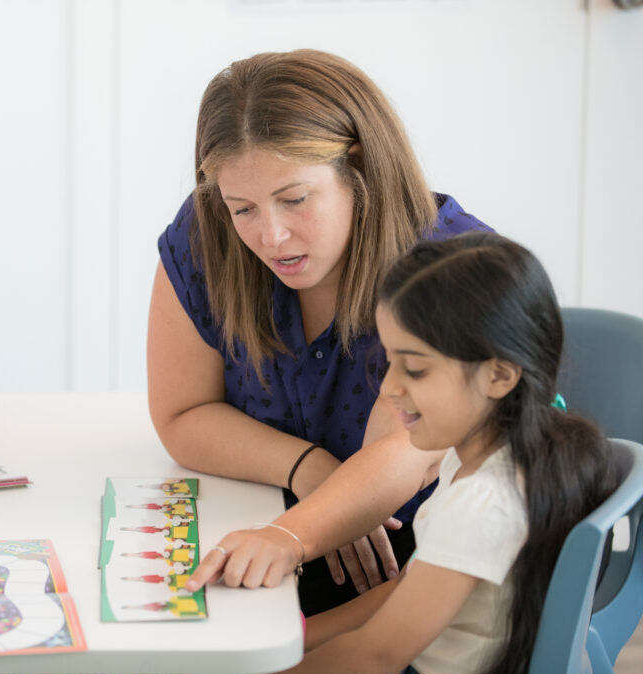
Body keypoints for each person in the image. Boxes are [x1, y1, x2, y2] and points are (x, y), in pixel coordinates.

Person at [148, 48, 493, 614]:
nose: (271, 236)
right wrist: (310, 469)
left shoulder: (451, 266)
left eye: (295, 200)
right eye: (243, 208)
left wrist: (293, 533)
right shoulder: (206, 231)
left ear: (360, 168)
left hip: (427, 561)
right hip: (272, 529)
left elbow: (408, 449)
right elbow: (183, 414)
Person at [192, 232, 619, 674]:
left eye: (414, 369)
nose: (390, 387)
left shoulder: (483, 503)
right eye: (390, 361)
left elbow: (375, 657)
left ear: (499, 376)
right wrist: (288, 642)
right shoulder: (488, 455)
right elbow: (399, 593)